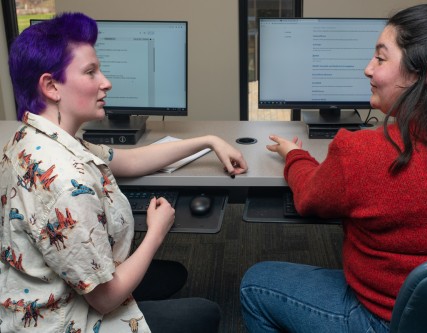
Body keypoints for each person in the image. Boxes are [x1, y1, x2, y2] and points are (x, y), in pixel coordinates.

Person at [240, 4, 427, 333]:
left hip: (384, 321)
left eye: (380, 58)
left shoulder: (365, 154)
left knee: (256, 284)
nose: (367, 69)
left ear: (423, 74)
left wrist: (294, 155)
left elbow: (309, 197)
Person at [0, 12, 248, 333]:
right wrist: (157, 231)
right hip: (65, 320)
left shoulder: (31, 138)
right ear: (50, 86)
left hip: (37, 293)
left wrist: (209, 141)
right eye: (91, 72)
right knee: (205, 313)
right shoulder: (63, 182)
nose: (106, 82)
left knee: (172, 275)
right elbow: (106, 300)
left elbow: (130, 161)